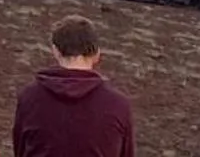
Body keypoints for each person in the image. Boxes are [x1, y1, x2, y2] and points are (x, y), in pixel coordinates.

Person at [12, 16, 135, 157]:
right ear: (97, 54)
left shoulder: (29, 97)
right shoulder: (118, 105)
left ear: (56, 51)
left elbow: (20, 151)